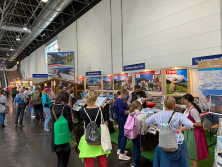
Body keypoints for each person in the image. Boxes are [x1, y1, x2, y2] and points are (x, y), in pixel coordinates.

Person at [145, 97, 193, 167]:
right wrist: (180, 130)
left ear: (164, 105)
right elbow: (190, 124)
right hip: (178, 142)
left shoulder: (157, 114)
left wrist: (157, 128)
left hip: (163, 142)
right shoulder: (178, 115)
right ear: (174, 105)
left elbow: (147, 121)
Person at [175, 94, 209, 167]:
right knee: (189, 147)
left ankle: (195, 165)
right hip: (189, 131)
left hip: (194, 132)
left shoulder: (193, 110)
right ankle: (194, 165)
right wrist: (170, 103)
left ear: (186, 100)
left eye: (183, 99)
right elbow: (179, 106)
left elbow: (199, 124)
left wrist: (189, 123)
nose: (183, 101)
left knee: (194, 148)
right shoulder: (187, 107)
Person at [79, 90, 111, 167]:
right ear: (96, 98)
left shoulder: (83, 110)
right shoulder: (101, 109)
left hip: (88, 137)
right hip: (100, 137)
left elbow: (81, 122)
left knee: (89, 160)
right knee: (102, 159)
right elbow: (106, 123)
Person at [51, 91, 73, 167]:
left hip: (56, 137)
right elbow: (69, 122)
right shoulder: (66, 107)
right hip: (64, 137)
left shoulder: (53, 107)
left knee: (60, 160)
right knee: (64, 162)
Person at [129, 100, 147, 167]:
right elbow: (144, 127)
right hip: (139, 135)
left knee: (135, 148)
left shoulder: (130, 113)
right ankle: (137, 165)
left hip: (131, 133)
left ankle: (134, 162)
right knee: (138, 150)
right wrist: (145, 132)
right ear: (139, 106)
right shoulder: (141, 115)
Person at [116, 89, 130, 160]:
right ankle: (122, 153)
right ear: (122, 93)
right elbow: (121, 111)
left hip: (120, 119)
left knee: (121, 134)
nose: (126, 96)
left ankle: (120, 149)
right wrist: (129, 111)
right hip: (122, 119)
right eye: (125, 94)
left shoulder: (117, 100)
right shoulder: (120, 101)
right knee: (124, 135)